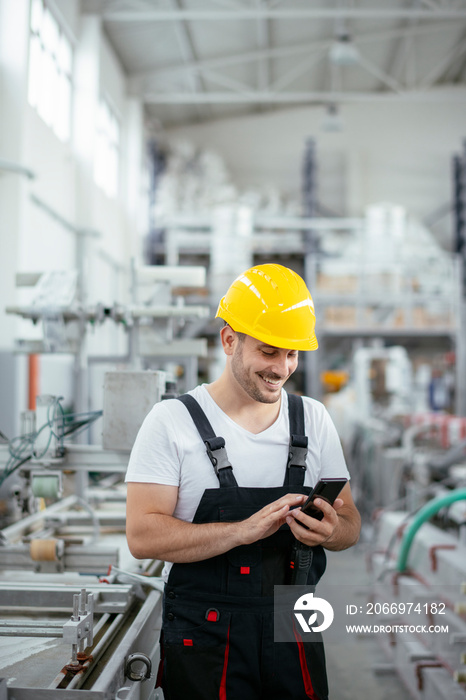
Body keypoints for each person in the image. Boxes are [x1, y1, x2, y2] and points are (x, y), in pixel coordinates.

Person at [125, 263, 361, 700]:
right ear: (229, 340)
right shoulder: (172, 422)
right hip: (206, 630)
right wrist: (240, 531)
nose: (282, 368)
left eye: (293, 354)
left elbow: (350, 524)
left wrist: (332, 531)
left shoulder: (313, 419)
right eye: (269, 352)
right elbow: (142, 536)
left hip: (295, 618)